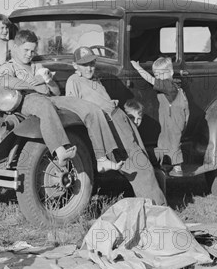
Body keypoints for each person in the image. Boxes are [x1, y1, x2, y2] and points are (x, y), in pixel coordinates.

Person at [66, 47, 167, 205]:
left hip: (120, 119)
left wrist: (109, 103)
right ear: (75, 66)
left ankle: (156, 207)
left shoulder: (95, 79)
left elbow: (98, 99)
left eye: (92, 63)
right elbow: (75, 108)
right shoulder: (74, 81)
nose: (89, 68)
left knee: (143, 162)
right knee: (138, 166)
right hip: (110, 127)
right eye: (84, 65)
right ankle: (156, 209)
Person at [0, 29, 77, 166]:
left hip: (46, 99)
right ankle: (60, 149)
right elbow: (6, 81)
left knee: (71, 105)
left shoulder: (37, 66)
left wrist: (48, 80)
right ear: (15, 48)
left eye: (32, 51)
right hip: (26, 101)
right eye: (26, 50)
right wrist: (34, 85)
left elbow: (56, 92)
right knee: (44, 105)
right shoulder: (9, 66)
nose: (29, 54)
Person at [131, 57, 189, 176]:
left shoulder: (168, 85)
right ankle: (165, 164)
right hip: (169, 116)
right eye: (157, 74)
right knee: (164, 139)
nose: (158, 77)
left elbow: (150, 79)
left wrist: (138, 68)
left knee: (173, 140)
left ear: (171, 73)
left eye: (161, 74)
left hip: (174, 117)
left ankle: (177, 168)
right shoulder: (172, 84)